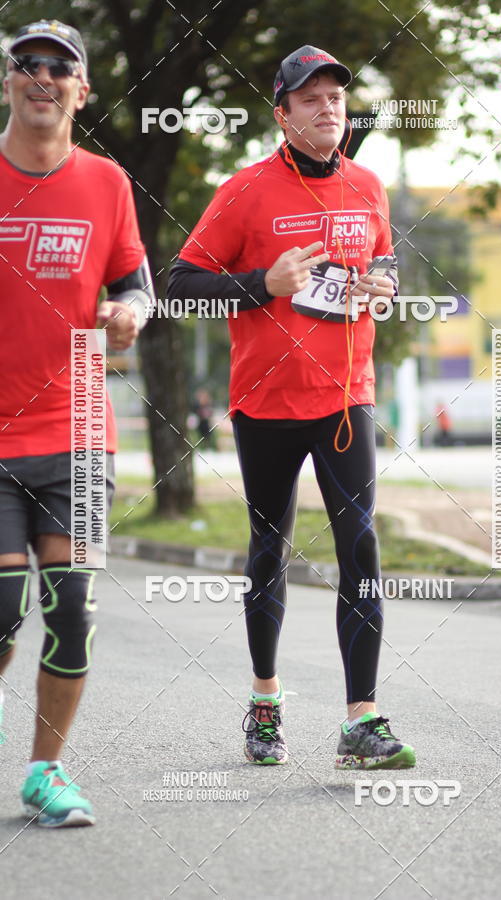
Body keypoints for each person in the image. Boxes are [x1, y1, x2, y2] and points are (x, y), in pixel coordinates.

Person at [168, 45, 416, 770]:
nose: (328, 106)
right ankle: (265, 700)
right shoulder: (245, 191)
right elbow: (179, 282)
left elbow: (382, 260)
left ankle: (360, 720)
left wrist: (384, 284)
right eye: (310, 97)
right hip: (265, 402)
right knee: (268, 550)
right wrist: (261, 283)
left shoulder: (368, 184)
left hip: (345, 399)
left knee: (360, 546)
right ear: (281, 113)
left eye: (336, 95)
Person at [0, 20, 154, 826]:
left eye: (60, 68)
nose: (43, 76)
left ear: (81, 91)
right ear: (7, 81)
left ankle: (44, 773)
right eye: (27, 63)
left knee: (71, 608)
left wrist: (128, 314)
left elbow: (138, 283)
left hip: (77, 431)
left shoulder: (108, 183)